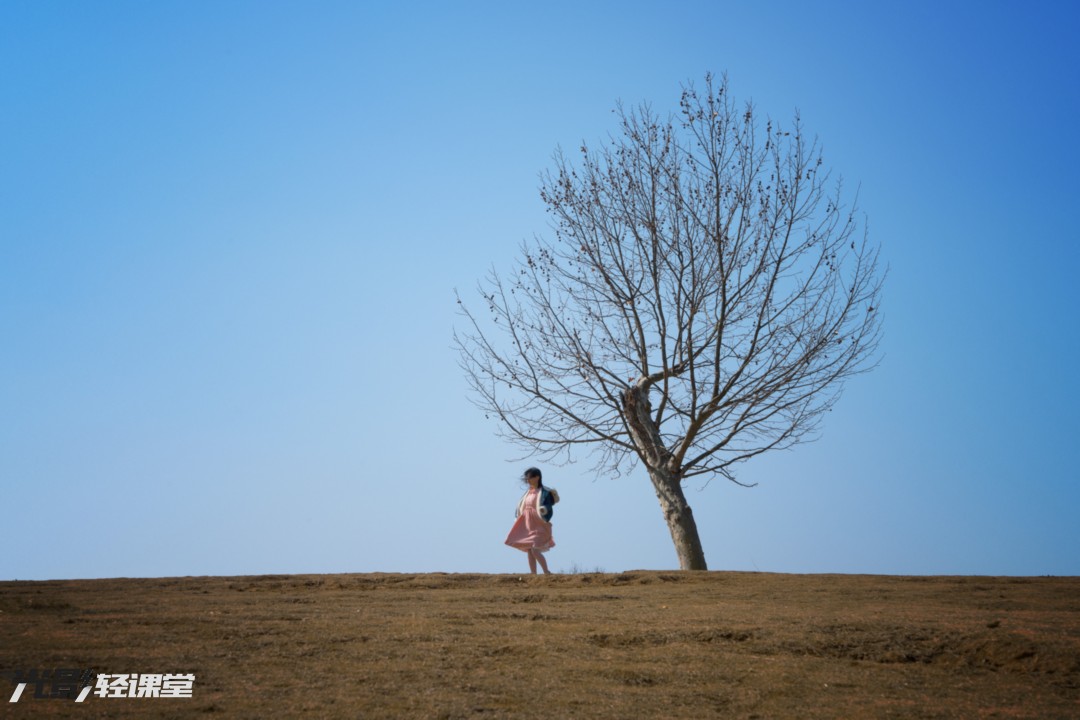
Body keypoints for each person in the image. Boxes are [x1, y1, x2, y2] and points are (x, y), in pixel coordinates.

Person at [504, 467, 559, 574]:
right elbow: (520, 506)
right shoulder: (528, 492)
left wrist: (543, 510)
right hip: (527, 524)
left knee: (535, 549)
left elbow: (548, 505)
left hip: (539, 523)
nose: (527, 480)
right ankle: (533, 574)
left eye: (529, 478)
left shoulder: (545, 492)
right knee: (529, 550)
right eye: (527, 478)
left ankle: (546, 571)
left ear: (537, 477)